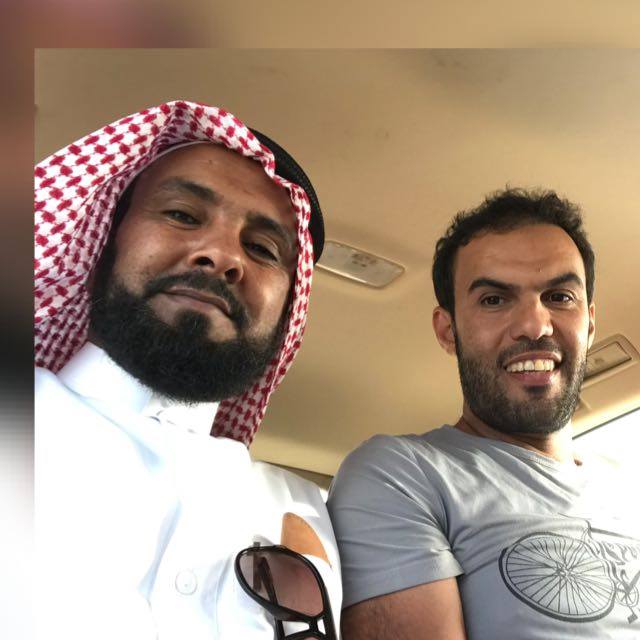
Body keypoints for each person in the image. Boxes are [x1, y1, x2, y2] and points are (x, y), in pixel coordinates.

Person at [35, 101, 341, 640]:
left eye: (262, 248)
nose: (223, 256)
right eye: (181, 215)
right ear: (104, 240)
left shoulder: (308, 509)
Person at [327, 189, 640, 639]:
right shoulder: (402, 474)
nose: (535, 325)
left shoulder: (628, 489)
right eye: (494, 300)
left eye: (559, 296)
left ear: (589, 323)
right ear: (448, 331)